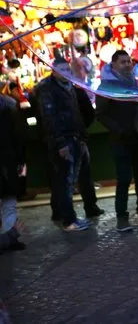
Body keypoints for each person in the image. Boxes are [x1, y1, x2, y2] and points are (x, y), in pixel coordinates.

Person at [33, 57, 98, 231]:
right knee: (65, 180)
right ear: (53, 70)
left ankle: (68, 217)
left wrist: (81, 134)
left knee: (69, 179)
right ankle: (69, 220)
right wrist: (60, 142)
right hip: (62, 140)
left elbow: (76, 113)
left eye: (67, 69)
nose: (66, 73)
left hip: (74, 137)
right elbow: (49, 117)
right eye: (61, 70)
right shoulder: (47, 88)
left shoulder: (67, 86)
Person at [96, 50, 138, 232]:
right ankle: (122, 217)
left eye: (129, 61)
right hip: (120, 139)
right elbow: (101, 114)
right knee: (123, 178)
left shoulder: (135, 83)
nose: (127, 65)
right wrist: (119, 129)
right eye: (123, 62)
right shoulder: (107, 86)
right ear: (113, 64)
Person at [0, 94, 26, 252]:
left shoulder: (9, 106)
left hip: (9, 161)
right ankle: (9, 238)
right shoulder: (10, 106)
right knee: (9, 202)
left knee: (9, 201)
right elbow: (20, 134)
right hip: (10, 161)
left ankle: (8, 238)